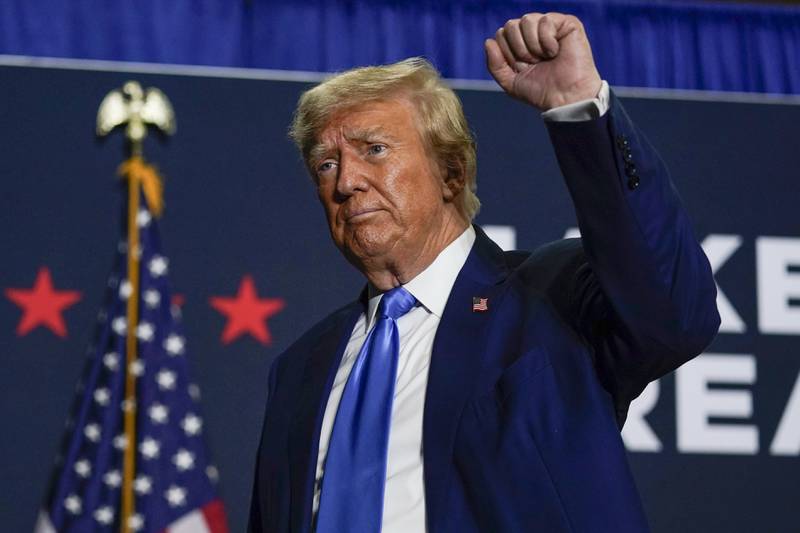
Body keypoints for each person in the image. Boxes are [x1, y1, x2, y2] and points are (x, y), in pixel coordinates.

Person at [249, 11, 720, 533]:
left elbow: (677, 313)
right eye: (326, 164)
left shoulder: (552, 299)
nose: (347, 182)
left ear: (451, 172)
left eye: (374, 150)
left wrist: (577, 108)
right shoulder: (299, 370)